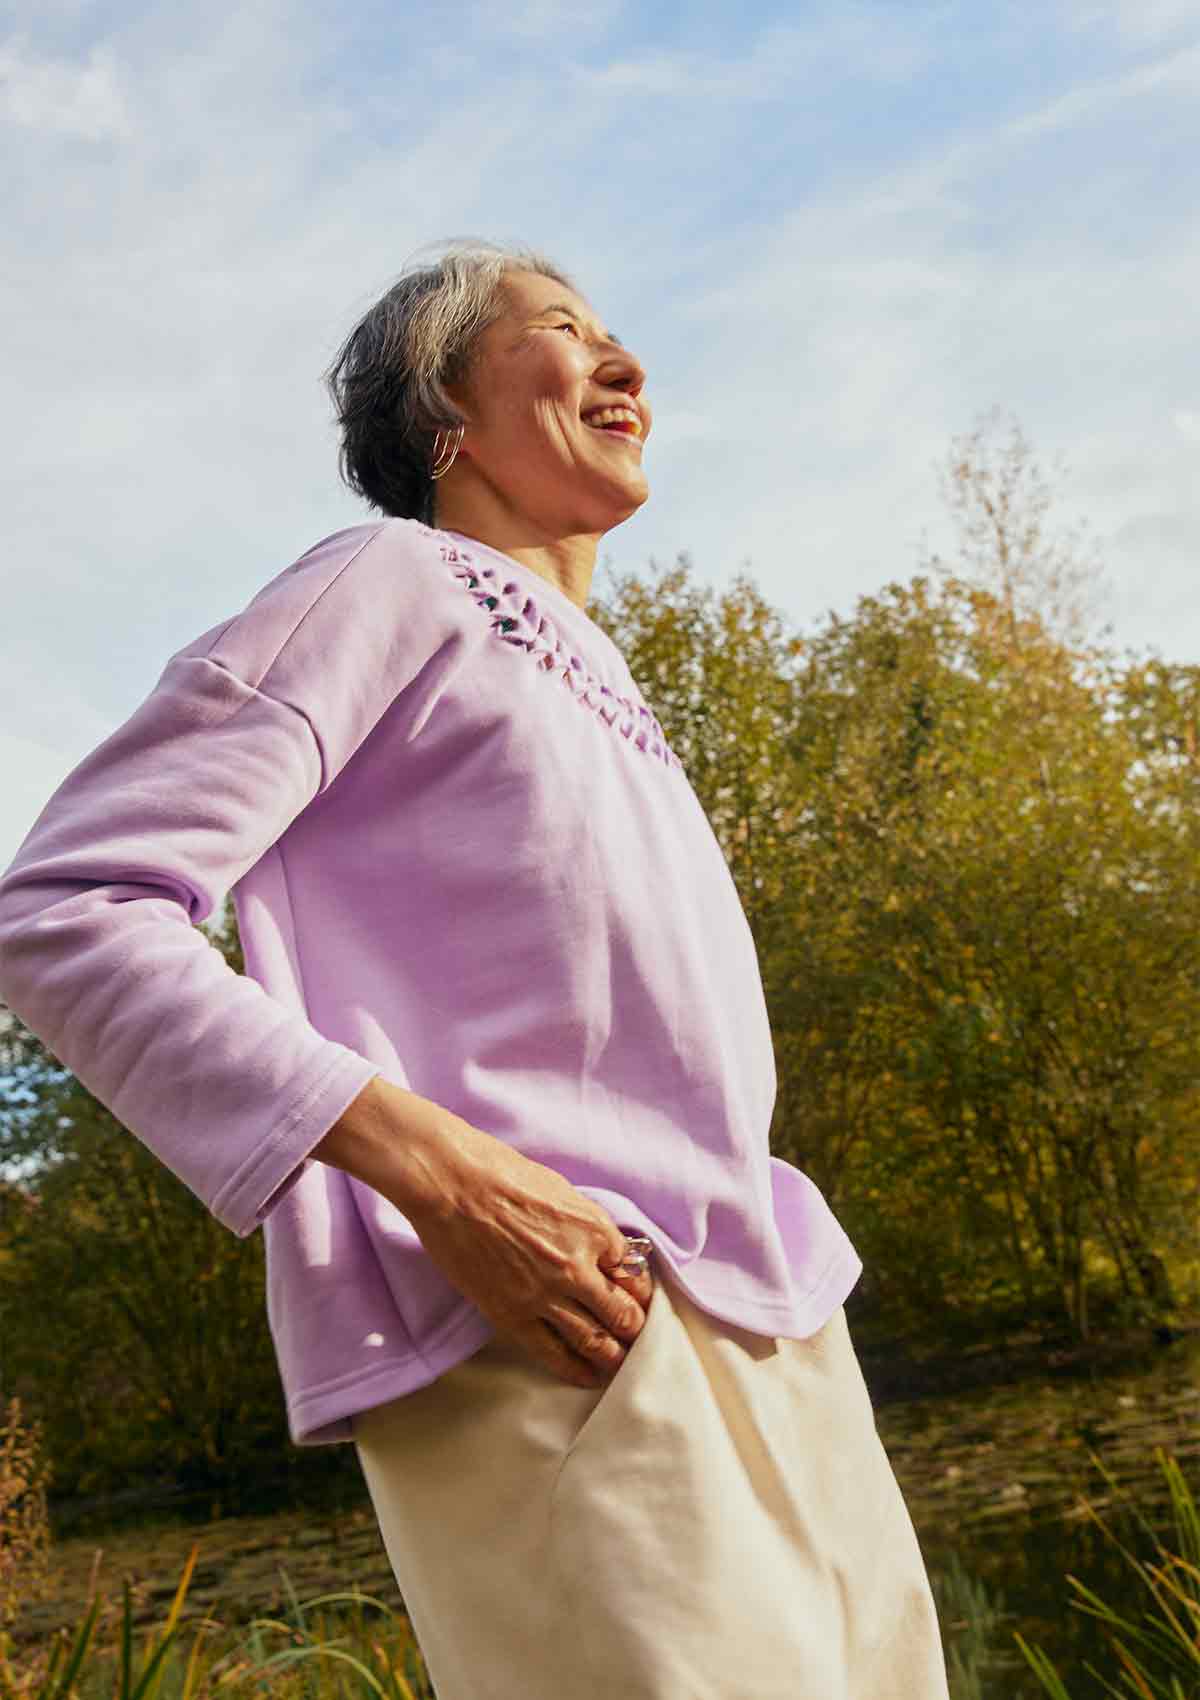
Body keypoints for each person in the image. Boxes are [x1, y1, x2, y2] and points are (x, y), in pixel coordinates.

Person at [0, 240, 951, 1698]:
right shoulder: (391, 580)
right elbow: (66, 910)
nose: (624, 361)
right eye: (564, 332)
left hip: (775, 1317)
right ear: (443, 418)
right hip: (545, 1324)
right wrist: (449, 1181)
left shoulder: (605, 676)